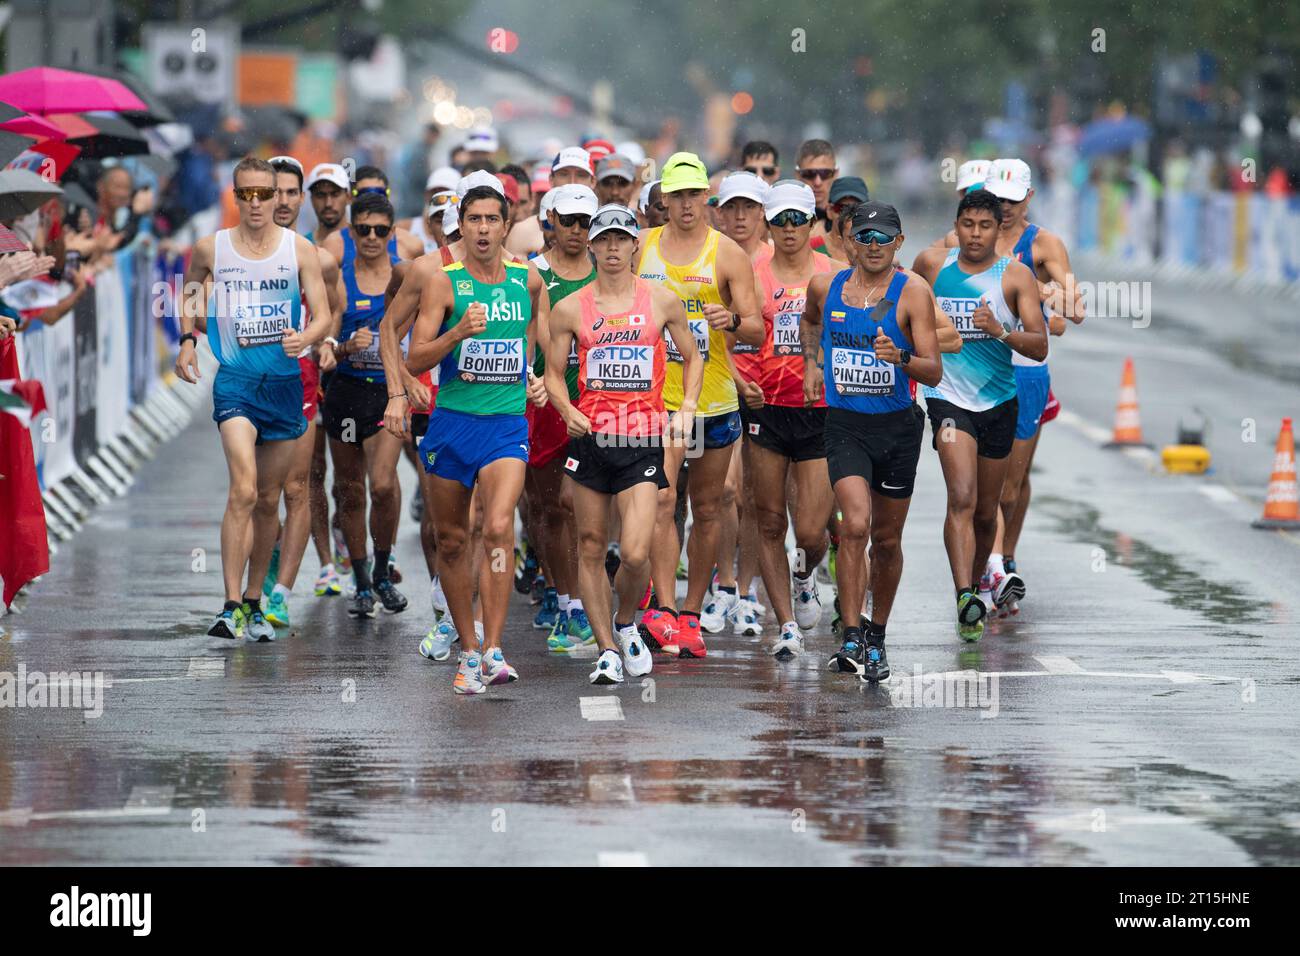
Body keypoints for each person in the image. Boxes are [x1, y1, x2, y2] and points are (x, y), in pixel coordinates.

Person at [175, 156, 332, 641]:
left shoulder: (299, 250)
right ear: (235, 196)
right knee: (243, 489)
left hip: (284, 386)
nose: (258, 203)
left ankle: (253, 602)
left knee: (268, 501)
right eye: (247, 194)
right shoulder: (211, 248)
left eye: (267, 193)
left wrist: (305, 339)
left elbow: (323, 316)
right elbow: (191, 293)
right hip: (236, 383)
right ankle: (227, 606)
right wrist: (188, 339)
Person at [545, 204, 703, 683]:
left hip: (642, 440)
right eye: (604, 239)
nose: (612, 248)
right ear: (591, 245)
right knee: (591, 545)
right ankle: (607, 649)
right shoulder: (570, 308)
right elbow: (552, 375)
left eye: (621, 239)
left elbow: (694, 357)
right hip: (592, 439)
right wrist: (566, 409)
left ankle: (626, 621)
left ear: (636, 244)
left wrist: (688, 408)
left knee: (634, 553)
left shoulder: (661, 300)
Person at [406, 184, 550, 694]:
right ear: (461, 225)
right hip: (452, 423)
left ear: (506, 225)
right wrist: (456, 334)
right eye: (475, 220)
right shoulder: (443, 283)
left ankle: (493, 648)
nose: (484, 229)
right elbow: (415, 359)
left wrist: (535, 380)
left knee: (497, 528)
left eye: (493, 219)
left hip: (506, 426)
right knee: (450, 539)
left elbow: (535, 348)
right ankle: (467, 649)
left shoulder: (527, 280)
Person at [801, 201, 942, 681]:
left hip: (898, 428)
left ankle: (877, 634)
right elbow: (810, 320)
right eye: (866, 237)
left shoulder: (913, 293)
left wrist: (901, 356)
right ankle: (852, 633)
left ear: (899, 242)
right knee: (855, 525)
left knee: (886, 539)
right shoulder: (827, 285)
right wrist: (811, 366)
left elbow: (934, 369)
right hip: (845, 425)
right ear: (849, 242)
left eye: (885, 237)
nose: (875, 245)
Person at [634, 152, 763, 658]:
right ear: (662, 198)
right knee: (664, 502)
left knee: (708, 508)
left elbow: (755, 327)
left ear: (706, 197)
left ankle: (691, 613)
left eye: (694, 195)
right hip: (657, 401)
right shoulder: (642, 248)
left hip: (712, 401)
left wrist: (729, 320)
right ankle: (663, 609)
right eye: (677, 195)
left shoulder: (728, 254)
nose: (686, 205)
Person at [911, 189, 1047, 642]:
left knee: (989, 512)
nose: (975, 234)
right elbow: (904, 310)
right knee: (962, 496)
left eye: (985, 226)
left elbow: (1040, 343)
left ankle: (975, 589)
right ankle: (964, 594)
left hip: (998, 401)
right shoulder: (933, 266)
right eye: (967, 224)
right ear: (957, 225)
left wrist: (1000, 331)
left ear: (998, 230)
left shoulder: (1016, 277)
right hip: (948, 400)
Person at [743, 180, 845, 658]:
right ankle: (785, 624)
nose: (787, 230)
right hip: (767, 410)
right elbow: (736, 335)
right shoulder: (751, 273)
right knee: (767, 520)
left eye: (796, 220)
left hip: (819, 411)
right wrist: (741, 382)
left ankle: (804, 575)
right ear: (769, 223)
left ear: (811, 223)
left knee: (809, 529)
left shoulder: (836, 273)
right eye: (779, 220)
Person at [980, 158, 1084, 614]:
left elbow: (1075, 309)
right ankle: (993, 567)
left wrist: (1041, 294)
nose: (1004, 209)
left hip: (1025, 368)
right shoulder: (970, 236)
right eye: (997, 199)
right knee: (985, 482)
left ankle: (1005, 556)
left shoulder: (1043, 244)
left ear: (1029, 198)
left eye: (1012, 200)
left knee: (1010, 486)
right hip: (980, 369)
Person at [260, 155, 345, 627]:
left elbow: (334, 305)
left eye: (294, 192)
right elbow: (199, 295)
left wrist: (326, 341)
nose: (286, 200)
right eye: (277, 191)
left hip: (301, 382)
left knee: (297, 485)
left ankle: (279, 592)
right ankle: (258, 578)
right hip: (248, 383)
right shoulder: (233, 252)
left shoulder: (316, 256)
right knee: (254, 492)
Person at [319, 192, 410, 616]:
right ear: (351, 233)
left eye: (379, 231)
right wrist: (342, 347)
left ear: (391, 234)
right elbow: (325, 348)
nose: (371, 238)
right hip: (347, 393)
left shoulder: (405, 276)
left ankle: (382, 567)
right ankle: (359, 581)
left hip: (388, 394)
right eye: (362, 230)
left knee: (384, 485)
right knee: (351, 491)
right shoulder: (339, 278)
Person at [523, 184, 600, 650]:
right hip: (544, 405)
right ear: (549, 218)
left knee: (582, 509)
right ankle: (567, 602)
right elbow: (519, 333)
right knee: (551, 508)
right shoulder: (531, 273)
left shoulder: (609, 271)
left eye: (585, 222)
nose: (576, 231)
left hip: (597, 408)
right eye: (568, 220)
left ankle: (587, 602)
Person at [700, 171, 771, 637]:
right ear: (720, 211)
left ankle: (748, 589)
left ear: (764, 212)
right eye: (731, 208)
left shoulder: (777, 259)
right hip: (721, 389)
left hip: (772, 396)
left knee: (757, 499)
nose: (740, 217)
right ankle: (725, 583)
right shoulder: (708, 255)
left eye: (749, 208)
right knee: (723, 493)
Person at [794, 139, 838, 247]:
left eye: (825, 174)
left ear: (836, 173)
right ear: (798, 175)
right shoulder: (783, 219)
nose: (817, 182)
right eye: (810, 174)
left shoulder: (846, 218)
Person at [822, 176, 869, 260]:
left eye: (857, 208)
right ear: (829, 210)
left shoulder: (878, 253)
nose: (848, 214)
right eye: (841, 208)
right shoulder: (810, 248)